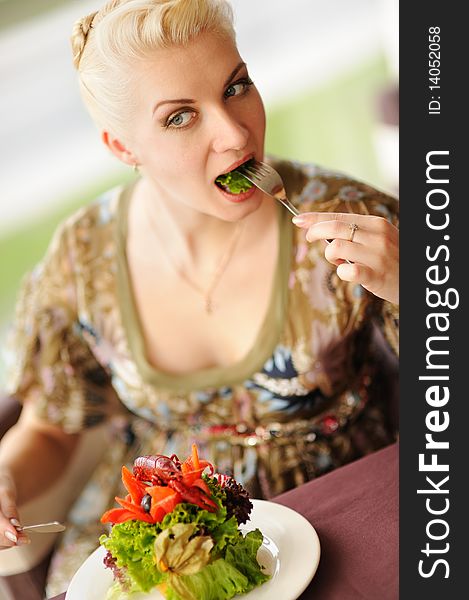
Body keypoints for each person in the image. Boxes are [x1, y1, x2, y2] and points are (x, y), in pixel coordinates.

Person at [0, 0, 399, 596]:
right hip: (164, 530)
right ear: (121, 145)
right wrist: (5, 475)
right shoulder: (82, 259)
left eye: (236, 87)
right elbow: (53, 430)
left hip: (334, 508)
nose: (235, 133)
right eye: (181, 117)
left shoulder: (354, 218)